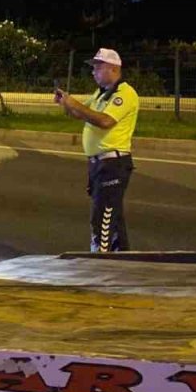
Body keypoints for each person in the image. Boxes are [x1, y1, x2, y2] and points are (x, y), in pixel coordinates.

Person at [54, 48, 141, 252]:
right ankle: (122, 260)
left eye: (98, 67)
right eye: (93, 68)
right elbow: (81, 113)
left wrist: (73, 103)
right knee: (113, 220)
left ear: (113, 69)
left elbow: (104, 121)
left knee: (102, 219)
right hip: (99, 165)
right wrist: (66, 103)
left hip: (113, 165)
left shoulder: (124, 93)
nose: (93, 72)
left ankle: (98, 262)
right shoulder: (100, 94)